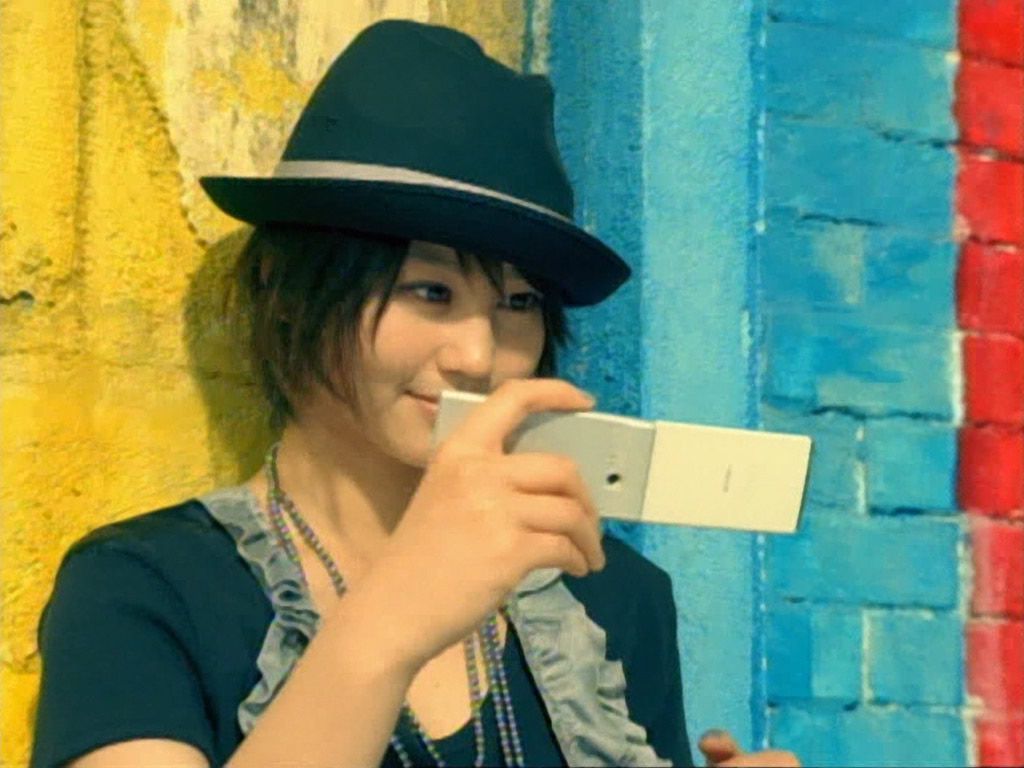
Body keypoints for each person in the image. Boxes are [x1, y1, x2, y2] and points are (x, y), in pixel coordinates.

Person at [30, 19, 798, 768]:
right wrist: (396, 616)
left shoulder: (610, 599)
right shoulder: (145, 587)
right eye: (430, 291)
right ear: (287, 292)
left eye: (519, 303)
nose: (478, 356)